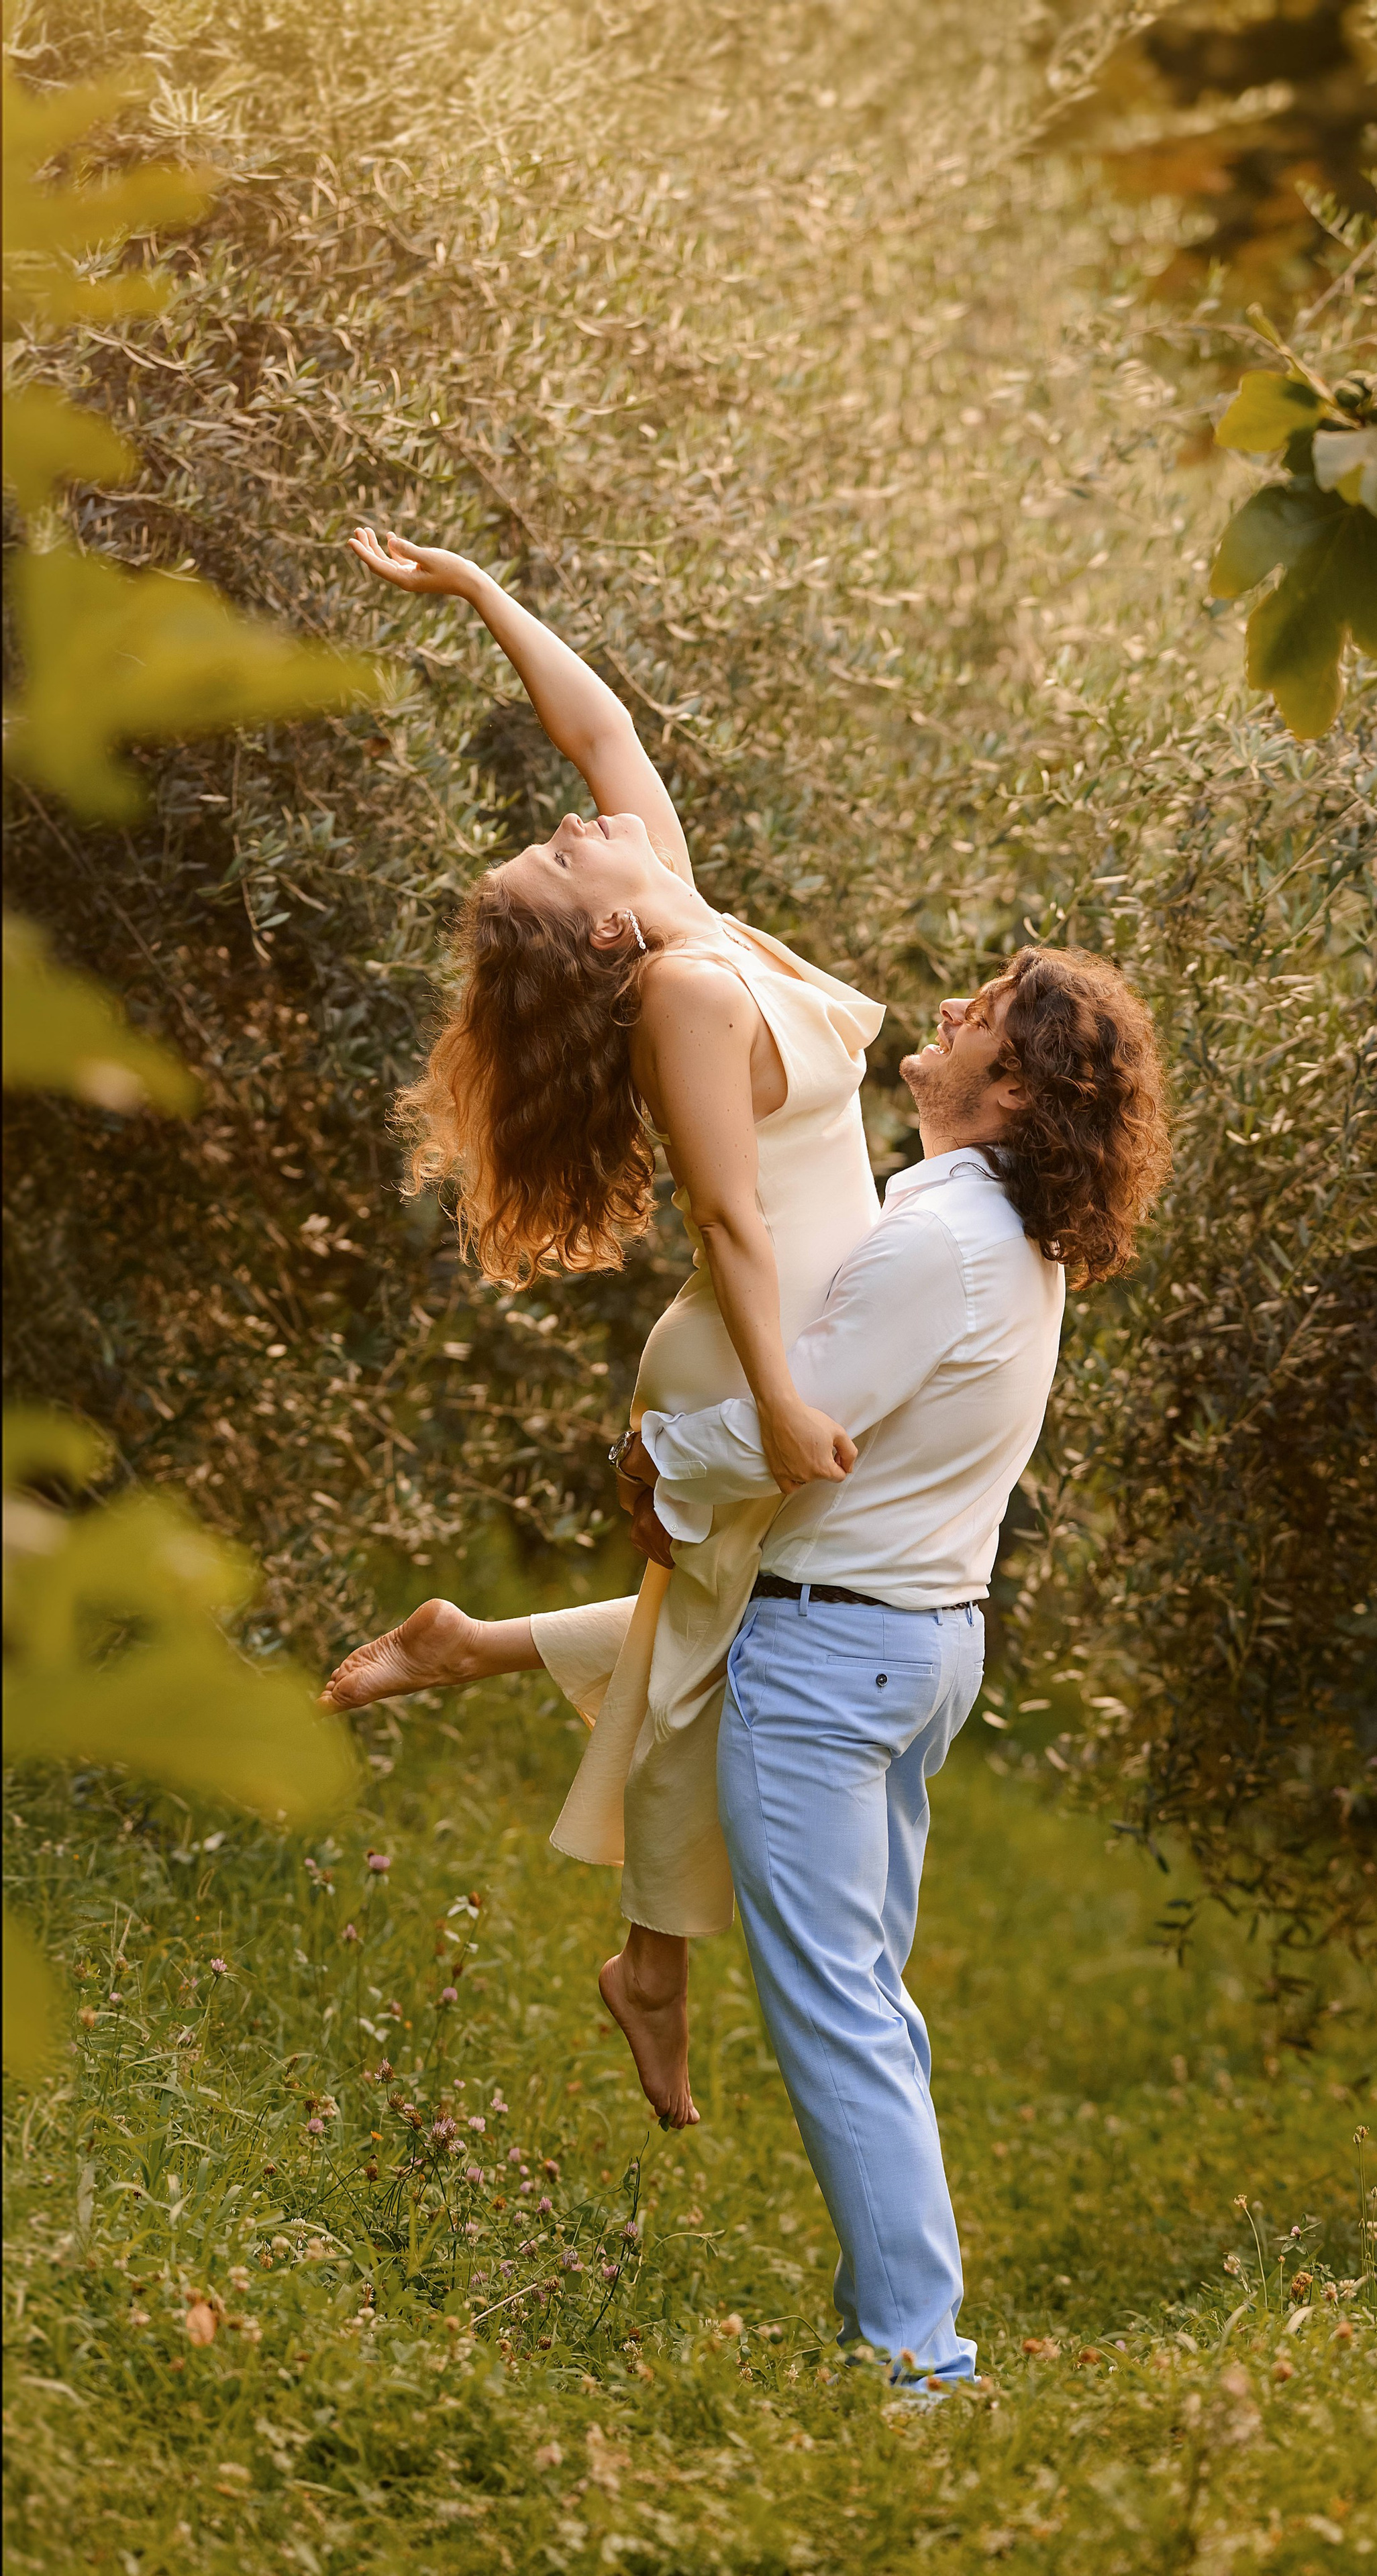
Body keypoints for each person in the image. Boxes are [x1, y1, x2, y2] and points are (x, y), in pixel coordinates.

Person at [322, 529, 880, 2130]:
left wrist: (486, 597)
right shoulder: (688, 998)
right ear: (603, 937)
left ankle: (470, 1648)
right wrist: (775, 1404)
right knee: (713, 1647)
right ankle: (648, 1963)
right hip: (750, 1353)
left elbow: (601, 735)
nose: (576, 826)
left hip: (809, 1347)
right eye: (561, 862)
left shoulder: (686, 922)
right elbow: (728, 1224)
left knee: (719, 1626)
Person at [623, 945, 1172, 2389]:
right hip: (905, 1645)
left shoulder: (943, 1240)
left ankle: (918, 2364)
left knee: (841, 2013)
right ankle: (906, 2327)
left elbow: (802, 1424)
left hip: (835, 1649)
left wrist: (650, 1461)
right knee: (869, 1998)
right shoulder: (986, 1228)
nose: (946, 1010)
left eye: (980, 1013)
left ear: (1014, 1084)